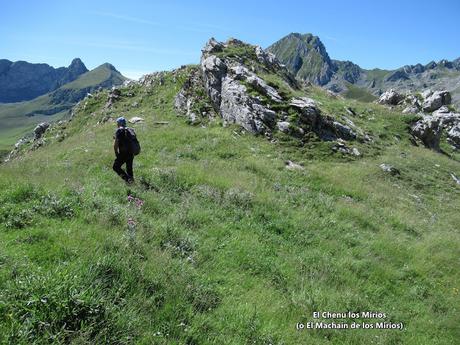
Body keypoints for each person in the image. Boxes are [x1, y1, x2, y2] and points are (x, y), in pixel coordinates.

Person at [113, 117, 135, 183]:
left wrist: (116, 153)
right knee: (129, 169)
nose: (117, 124)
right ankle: (132, 182)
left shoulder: (119, 130)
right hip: (131, 152)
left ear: (119, 123)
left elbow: (115, 145)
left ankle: (127, 180)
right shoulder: (130, 130)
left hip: (123, 153)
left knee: (115, 167)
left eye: (117, 123)